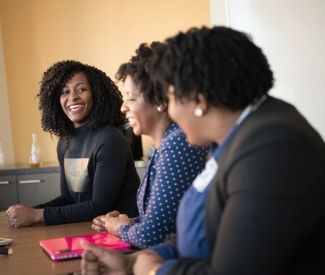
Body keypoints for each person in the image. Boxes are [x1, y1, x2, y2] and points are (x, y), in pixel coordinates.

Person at [81, 26, 325, 275]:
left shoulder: (272, 148)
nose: (170, 112)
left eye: (172, 98)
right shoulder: (239, 137)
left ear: (198, 100)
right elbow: (208, 229)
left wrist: (155, 270)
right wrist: (141, 259)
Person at [91, 42, 209, 249]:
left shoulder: (177, 144)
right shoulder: (164, 145)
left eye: (131, 98)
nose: (123, 107)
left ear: (160, 100)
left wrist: (119, 228)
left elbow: (152, 236)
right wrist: (125, 222)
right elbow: (167, 222)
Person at [6, 60, 140, 227]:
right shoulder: (65, 142)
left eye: (81, 89)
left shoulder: (109, 139)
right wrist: (30, 211)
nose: (72, 97)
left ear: (96, 94)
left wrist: (36, 215)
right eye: (64, 92)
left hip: (121, 234)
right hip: (83, 227)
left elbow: (99, 206)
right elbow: (68, 199)